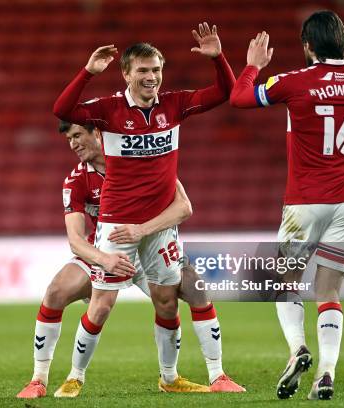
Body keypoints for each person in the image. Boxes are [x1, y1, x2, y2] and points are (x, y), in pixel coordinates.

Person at [52, 22, 235, 395]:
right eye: (143, 71)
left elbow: (226, 92)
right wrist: (88, 72)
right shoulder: (108, 110)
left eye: (156, 70)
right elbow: (62, 108)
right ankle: (75, 376)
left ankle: (170, 379)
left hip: (159, 226)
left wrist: (218, 59)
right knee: (101, 304)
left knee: (167, 301)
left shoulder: (175, 104)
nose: (151, 77)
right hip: (117, 223)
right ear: (126, 74)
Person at [229, 11, 344, 400]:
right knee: (329, 291)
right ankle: (326, 372)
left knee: (283, 281)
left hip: (305, 202)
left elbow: (240, 98)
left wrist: (253, 66)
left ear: (307, 46)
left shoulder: (295, 82)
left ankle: (297, 349)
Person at [16, 121, 244, 398]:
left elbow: (183, 207)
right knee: (57, 292)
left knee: (191, 291)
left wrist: (143, 230)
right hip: (109, 252)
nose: (73, 144)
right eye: (69, 139)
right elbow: (75, 239)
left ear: (97, 133)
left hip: (152, 247)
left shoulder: (142, 162)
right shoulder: (77, 180)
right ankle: (40, 380)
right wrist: (104, 259)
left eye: (78, 135)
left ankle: (207, 376)